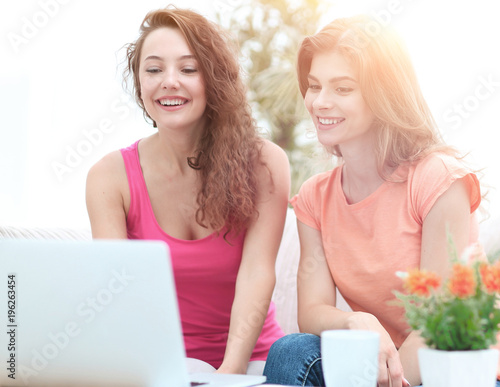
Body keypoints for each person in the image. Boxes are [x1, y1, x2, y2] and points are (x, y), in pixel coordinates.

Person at [262, 15, 485, 387]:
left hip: (454, 368)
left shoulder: (438, 179)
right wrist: (355, 321)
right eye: (314, 86)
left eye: (343, 88)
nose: (320, 102)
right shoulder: (315, 198)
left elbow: (438, 325)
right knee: (291, 350)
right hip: (374, 365)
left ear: (383, 94)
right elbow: (312, 311)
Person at [85, 6, 290, 375]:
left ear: (213, 79)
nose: (169, 81)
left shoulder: (264, 162)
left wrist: (229, 374)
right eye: (154, 69)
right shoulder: (109, 176)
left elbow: (257, 272)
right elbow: (115, 293)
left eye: (188, 69)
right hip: (162, 366)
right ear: (139, 83)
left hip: (253, 363)